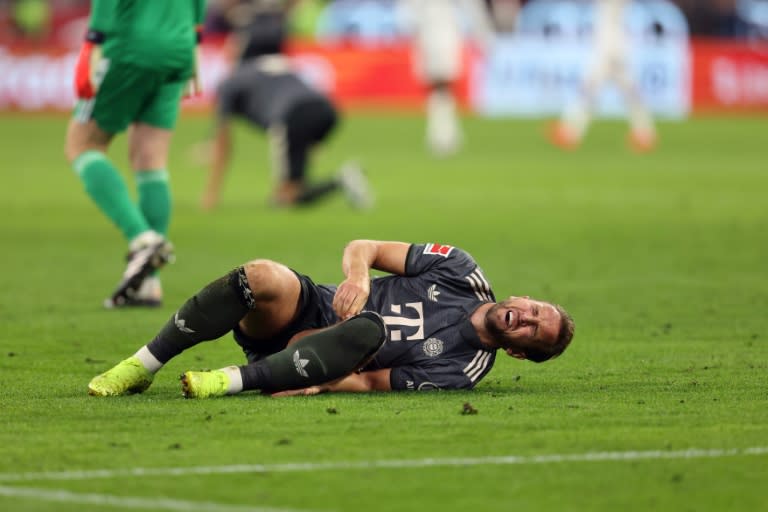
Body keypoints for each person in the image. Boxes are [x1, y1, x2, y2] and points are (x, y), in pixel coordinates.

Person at [87, 240, 575, 398]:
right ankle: (142, 365)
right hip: (311, 306)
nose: (525, 319)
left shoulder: (461, 371)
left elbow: (371, 382)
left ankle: (228, 381)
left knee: (366, 333)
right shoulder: (459, 268)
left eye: (532, 332)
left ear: (516, 350)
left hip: (322, 360)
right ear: (525, 297)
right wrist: (360, 278)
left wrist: (319, 383)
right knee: (261, 276)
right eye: (534, 311)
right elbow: (363, 247)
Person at [64, 0, 206, 308]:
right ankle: (148, 283)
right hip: (178, 49)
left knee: (83, 145)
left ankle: (142, 238)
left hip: (131, 47)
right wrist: (195, 43)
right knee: (151, 160)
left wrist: (93, 42)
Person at [198, 0, 372, 210]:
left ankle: (341, 180)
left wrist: (211, 192)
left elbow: (223, 142)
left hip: (292, 118)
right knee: (292, 185)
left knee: (285, 199)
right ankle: (334, 180)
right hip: (327, 111)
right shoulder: (280, 64)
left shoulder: (231, 83)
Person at [548, 0, 657, 152]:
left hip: (610, 51)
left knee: (593, 92)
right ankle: (645, 133)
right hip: (611, 49)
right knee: (621, 93)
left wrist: (612, 54)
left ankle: (571, 132)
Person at [399, 0, 496, 157]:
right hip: (426, 32)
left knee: (443, 85)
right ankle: (443, 133)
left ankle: (444, 134)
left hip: (443, 31)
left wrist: (482, 34)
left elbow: (471, 6)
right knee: (435, 86)